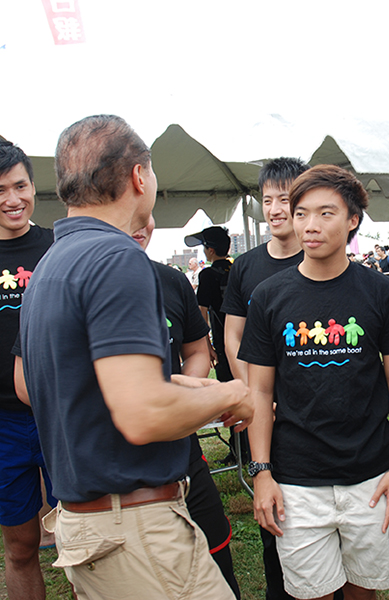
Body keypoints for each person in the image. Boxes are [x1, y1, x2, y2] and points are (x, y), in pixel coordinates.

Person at [18, 114, 252, 599]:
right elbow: (143, 414)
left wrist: (197, 389)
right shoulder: (115, 258)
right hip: (134, 529)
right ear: (139, 176)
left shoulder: (51, 265)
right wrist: (232, 392)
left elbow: (97, 386)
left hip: (94, 525)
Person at [240, 164, 389, 600]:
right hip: (296, 479)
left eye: (325, 213)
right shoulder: (269, 297)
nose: (310, 226)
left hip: (371, 476)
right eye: (301, 213)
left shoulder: (380, 292)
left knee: (364, 591)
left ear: (353, 219)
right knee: (310, 593)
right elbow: (259, 391)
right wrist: (261, 472)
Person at [221, 156, 329, 600]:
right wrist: (253, 395)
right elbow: (233, 335)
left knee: (321, 504)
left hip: (315, 408)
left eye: (286, 199)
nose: (276, 209)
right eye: (267, 200)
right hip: (264, 409)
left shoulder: (322, 257)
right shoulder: (246, 267)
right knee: (275, 508)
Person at [133, 215, 241, 597]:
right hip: (117, 475)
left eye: (145, 217)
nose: (139, 225)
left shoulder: (170, 280)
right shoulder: (69, 280)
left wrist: (183, 387)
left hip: (182, 452)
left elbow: (196, 348)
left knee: (216, 554)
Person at [0, 138, 55, 600]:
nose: (13, 199)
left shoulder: (61, 246)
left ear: (33, 186)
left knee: (86, 539)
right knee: (21, 547)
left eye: (20, 186)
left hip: (63, 414)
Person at [186, 226, 233, 381]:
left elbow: (202, 310)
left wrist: (207, 344)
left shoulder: (207, 275)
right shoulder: (237, 269)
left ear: (211, 250)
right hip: (245, 335)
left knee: (227, 381)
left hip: (222, 337)